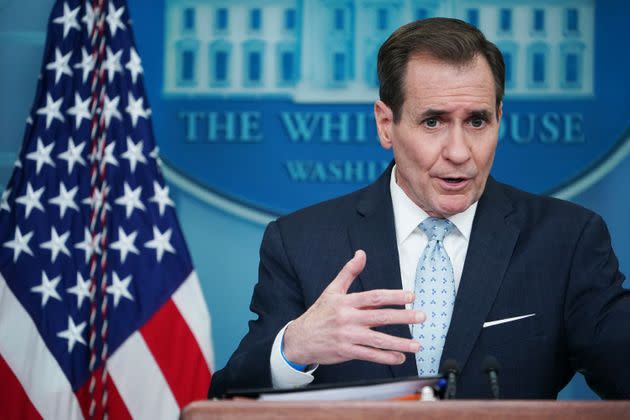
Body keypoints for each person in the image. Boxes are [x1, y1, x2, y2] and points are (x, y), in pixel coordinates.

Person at [208, 17, 630, 399]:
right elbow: (227, 397)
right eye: (433, 122)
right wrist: (295, 348)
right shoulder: (300, 243)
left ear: (499, 119)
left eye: (477, 121)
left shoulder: (566, 241)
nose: (460, 151)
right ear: (386, 125)